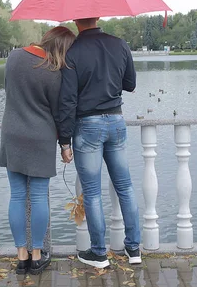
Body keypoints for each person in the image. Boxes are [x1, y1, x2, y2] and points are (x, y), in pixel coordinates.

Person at [58, 17, 141, 268]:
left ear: (76, 20)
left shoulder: (72, 53)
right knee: (125, 187)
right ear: (98, 18)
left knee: (92, 193)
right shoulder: (120, 44)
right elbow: (131, 84)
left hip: (87, 126)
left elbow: (68, 101)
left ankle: (98, 253)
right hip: (116, 121)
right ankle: (134, 249)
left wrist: (64, 141)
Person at [0, 26, 76, 275]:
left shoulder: (14, 57)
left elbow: (9, 90)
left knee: (17, 196)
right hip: (40, 136)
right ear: (62, 48)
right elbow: (60, 112)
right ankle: (37, 255)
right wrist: (65, 145)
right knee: (39, 196)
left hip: (12, 132)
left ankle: (21, 257)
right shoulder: (55, 72)